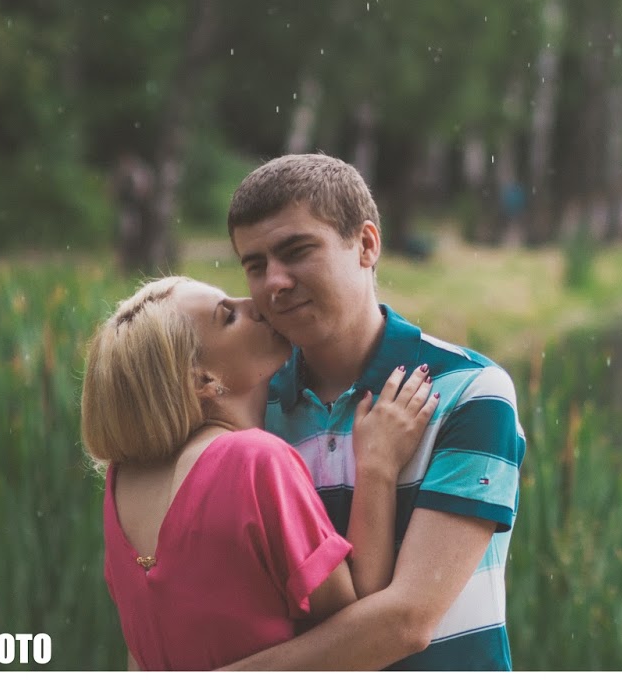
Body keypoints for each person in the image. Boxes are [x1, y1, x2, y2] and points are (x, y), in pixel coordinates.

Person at [223, 152, 526, 670]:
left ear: (366, 244)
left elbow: (406, 621)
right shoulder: (254, 409)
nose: (274, 281)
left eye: (296, 251)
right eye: (255, 265)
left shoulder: (469, 391)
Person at [80, 275, 437, 670]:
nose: (253, 303)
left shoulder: (120, 485)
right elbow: (354, 625)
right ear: (201, 380)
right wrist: (378, 465)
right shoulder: (255, 461)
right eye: (228, 316)